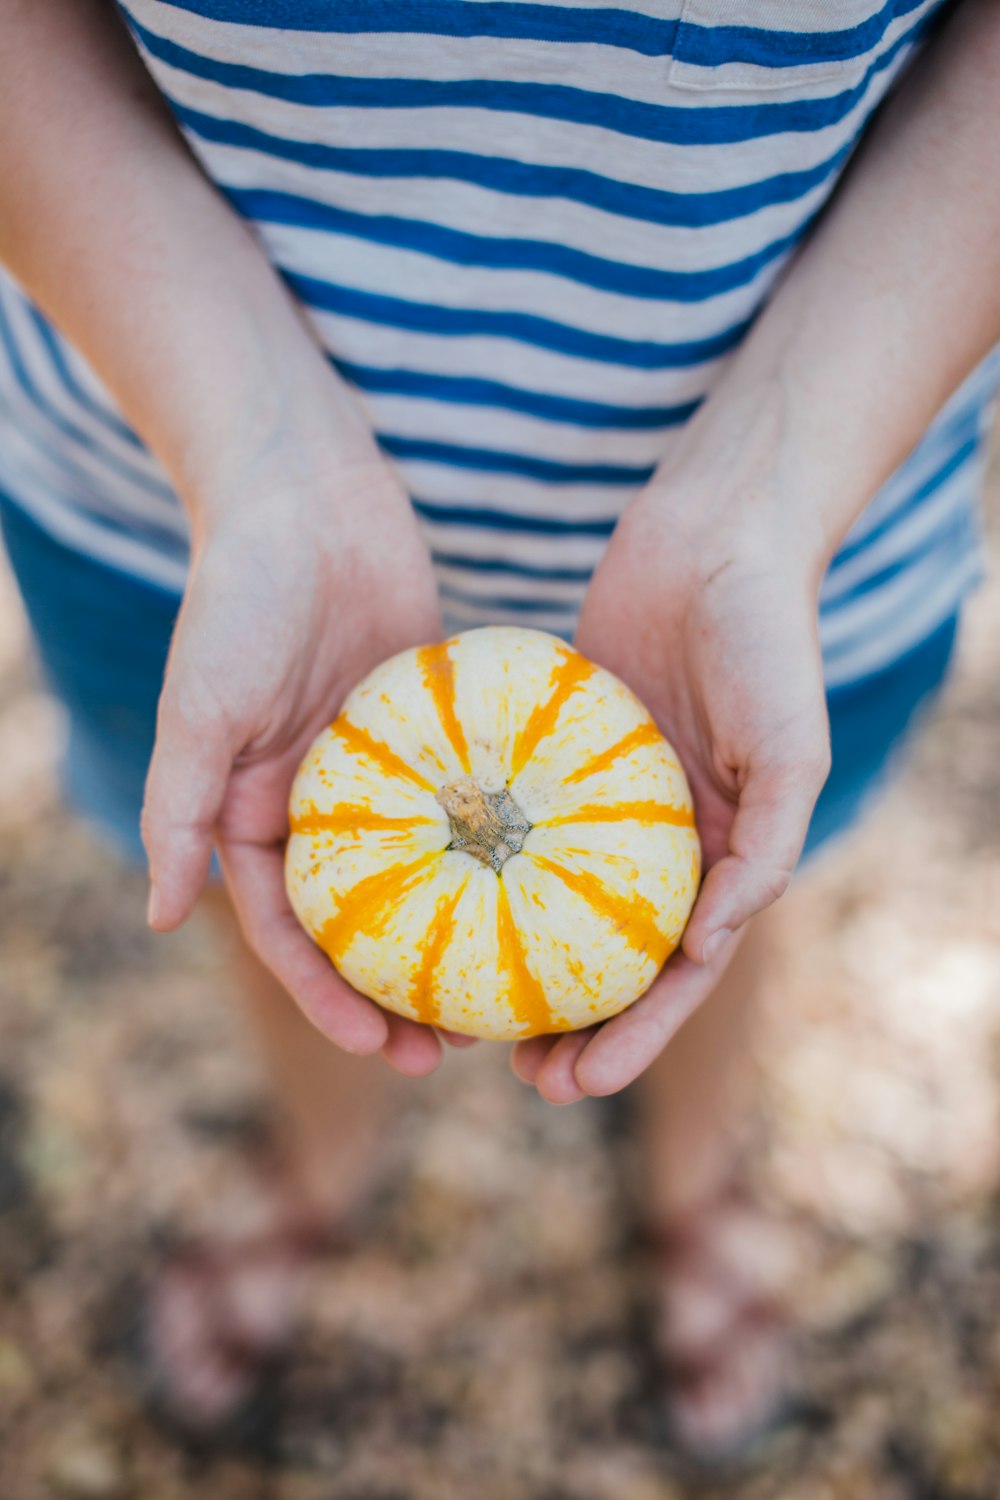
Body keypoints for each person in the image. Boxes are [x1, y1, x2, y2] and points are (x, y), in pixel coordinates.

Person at [1, 0, 999, 1463]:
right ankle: (324, 1152)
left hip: (803, 516)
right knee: (266, 869)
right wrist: (252, 454)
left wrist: (778, 489)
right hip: (182, 488)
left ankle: (696, 1172)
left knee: (718, 886)